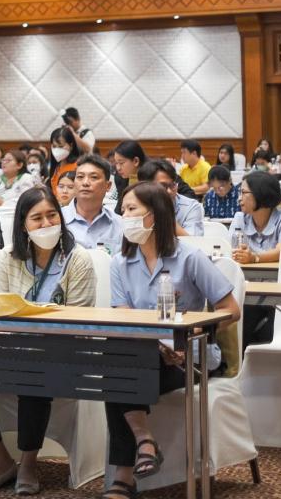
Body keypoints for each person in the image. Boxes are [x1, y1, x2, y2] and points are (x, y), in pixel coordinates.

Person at [102, 181, 239, 499]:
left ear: (155, 215)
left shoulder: (190, 257)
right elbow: (125, 317)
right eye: (123, 210)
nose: (125, 217)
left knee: (118, 376)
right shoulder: (121, 262)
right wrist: (154, 345)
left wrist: (192, 333)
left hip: (189, 356)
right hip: (145, 354)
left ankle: (125, 473)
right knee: (120, 367)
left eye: (132, 209)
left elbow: (231, 310)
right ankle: (145, 442)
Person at [0, 186, 96, 492]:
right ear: (23, 225)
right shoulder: (10, 257)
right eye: (37, 218)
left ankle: (29, 463)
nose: (46, 224)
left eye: (52, 216)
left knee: (34, 375)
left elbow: (80, 321)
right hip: (13, 346)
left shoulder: (78, 259)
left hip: (61, 350)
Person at [229, 171, 281, 265]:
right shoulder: (239, 218)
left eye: (244, 192)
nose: (239, 198)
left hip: (277, 274)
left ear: (261, 194)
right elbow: (230, 250)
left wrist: (254, 258)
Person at [61, 155, 121, 251]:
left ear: (108, 186)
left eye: (94, 177)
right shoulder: (58, 219)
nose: (85, 183)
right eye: (80, 177)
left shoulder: (119, 224)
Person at [138, 160, 202, 236]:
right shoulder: (135, 205)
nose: (169, 191)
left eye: (172, 185)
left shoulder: (190, 207)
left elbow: (193, 241)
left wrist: (164, 213)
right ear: (145, 187)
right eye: (162, 186)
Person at [48, 126, 81, 195]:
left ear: (71, 145)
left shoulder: (79, 166)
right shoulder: (56, 166)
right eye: (54, 146)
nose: (56, 150)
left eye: (61, 146)